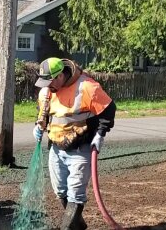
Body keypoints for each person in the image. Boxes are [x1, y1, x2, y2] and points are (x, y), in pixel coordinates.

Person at [33, 57, 116, 230]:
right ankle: (78, 225)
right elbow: (43, 114)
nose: (48, 86)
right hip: (56, 148)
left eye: (50, 82)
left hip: (81, 148)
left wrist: (100, 134)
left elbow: (108, 110)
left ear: (61, 75)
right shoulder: (46, 93)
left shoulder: (86, 87)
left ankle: (67, 227)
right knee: (61, 191)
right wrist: (38, 126)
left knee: (75, 193)